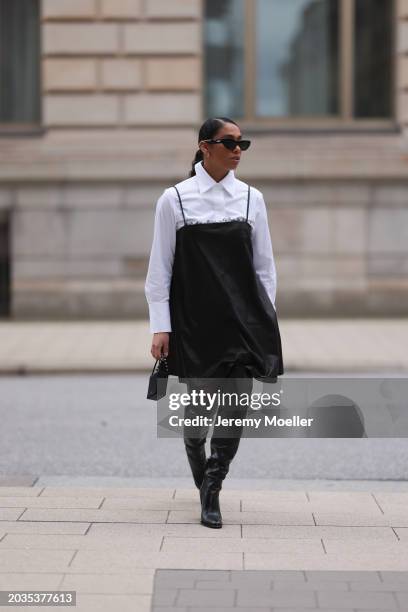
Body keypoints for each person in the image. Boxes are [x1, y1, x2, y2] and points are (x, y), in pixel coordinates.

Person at [145, 117, 284, 528]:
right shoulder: (175, 199)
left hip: (244, 323)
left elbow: (265, 268)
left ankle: (213, 485)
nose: (238, 149)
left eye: (243, 143)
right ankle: (199, 462)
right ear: (205, 146)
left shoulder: (250, 198)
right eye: (230, 142)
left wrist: (264, 319)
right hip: (194, 325)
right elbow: (160, 270)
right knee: (198, 415)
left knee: (236, 406)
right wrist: (161, 326)